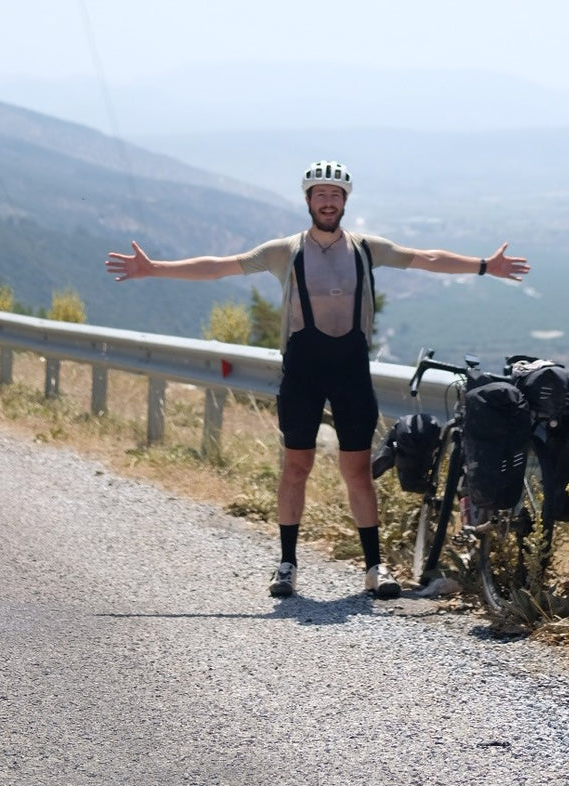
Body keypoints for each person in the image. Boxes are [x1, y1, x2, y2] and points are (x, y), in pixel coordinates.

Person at [105, 160, 530, 599]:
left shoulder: (366, 248)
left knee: (358, 472)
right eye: (320, 194)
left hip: (351, 371)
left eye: (335, 195)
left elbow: (425, 258)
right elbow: (218, 267)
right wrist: (153, 268)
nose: (328, 202)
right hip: (303, 372)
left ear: (346, 201)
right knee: (296, 467)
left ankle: (374, 568)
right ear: (307, 200)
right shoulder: (284, 251)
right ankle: (287, 564)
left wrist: (484, 266)